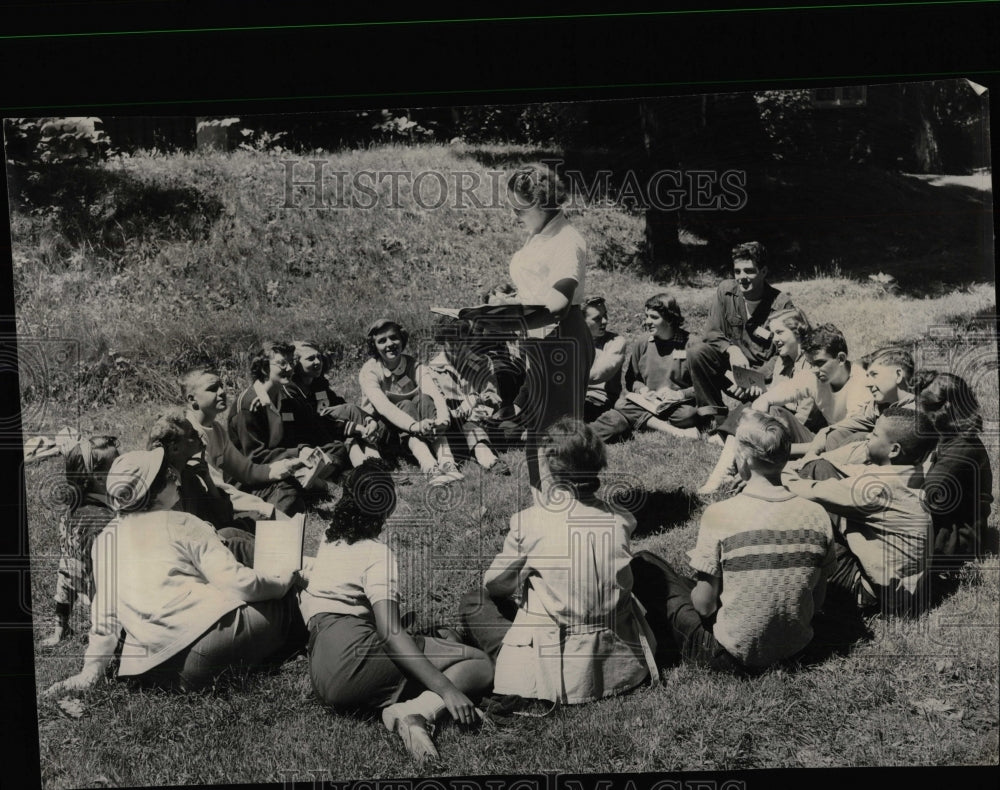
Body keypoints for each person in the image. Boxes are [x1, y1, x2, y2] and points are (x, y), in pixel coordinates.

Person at [43, 448, 303, 696]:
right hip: (206, 651)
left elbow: (104, 618)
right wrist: (280, 584)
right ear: (152, 492)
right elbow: (237, 583)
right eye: (166, 475)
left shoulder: (106, 539)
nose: (175, 477)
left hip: (156, 670)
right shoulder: (183, 522)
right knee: (288, 603)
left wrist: (91, 671)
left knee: (229, 539)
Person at [299, 459, 493, 767]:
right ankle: (417, 711)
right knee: (479, 663)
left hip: (322, 665)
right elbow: (389, 634)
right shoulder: (377, 554)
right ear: (387, 507)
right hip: (351, 663)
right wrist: (447, 690)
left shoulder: (329, 538)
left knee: (428, 630)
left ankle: (407, 694)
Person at [458, 418, 658, 706]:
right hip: (622, 662)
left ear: (549, 468)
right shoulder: (622, 518)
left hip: (560, 670)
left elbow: (496, 586)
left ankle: (498, 669)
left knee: (474, 601)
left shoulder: (530, 522)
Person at [631, 411, 835, 673]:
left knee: (646, 564)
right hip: (798, 647)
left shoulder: (720, 514)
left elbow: (705, 607)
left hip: (729, 656)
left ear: (744, 459)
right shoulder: (816, 513)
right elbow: (816, 601)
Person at [493, 163, 596, 498]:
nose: (513, 214)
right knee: (538, 431)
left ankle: (566, 508)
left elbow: (556, 305)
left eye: (517, 207)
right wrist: (508, 300)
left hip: (560, 339)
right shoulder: (539, 234)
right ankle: (546, 505)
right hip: (538, 342)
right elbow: (538, 289)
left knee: (558, 434)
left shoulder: (568, 239)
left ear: (539, 201)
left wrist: (503, 320)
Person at [782, 405, 936, 616]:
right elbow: (842, 468)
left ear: (894, 450)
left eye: (873, 435)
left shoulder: (877, 487)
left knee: (811, 509)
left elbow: (812, 491)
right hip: (900, 590)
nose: (867, 439)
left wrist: (773, 475)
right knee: (820, 468)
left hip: (868, 592)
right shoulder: (909, 474)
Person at [698, 306, 816, 494]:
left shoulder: (812, 363)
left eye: (779, 332)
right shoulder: (782, 361)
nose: (775, 339)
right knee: (752, 406)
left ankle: (726, 469)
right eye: (772, 333)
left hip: (807, 434)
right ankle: (726, 470)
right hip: (783, 424)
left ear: (798, 331)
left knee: (767, 410)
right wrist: (760, 392)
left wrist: (768, 408)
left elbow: (803, 418)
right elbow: (777, 393)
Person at [228, 340, 351, 508]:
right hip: (252, 476)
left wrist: (307, 451)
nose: (289, 369)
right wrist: (298, 452)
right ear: (264, 368)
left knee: (336, 448)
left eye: (291, 363)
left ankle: (314, 484)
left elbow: (307, 429)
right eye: (282, 364)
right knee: (288, 489)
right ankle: (319, 486)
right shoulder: (249, 405)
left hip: (283, 461)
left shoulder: (284, 397)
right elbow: (254, 456)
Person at [685, 241, 795, 422]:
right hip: (730, 373)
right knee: (697, 351)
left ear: (764, 272)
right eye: (737, 271)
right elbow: (711, 333)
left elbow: (785, 354)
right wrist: (731, 349)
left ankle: (750, 412)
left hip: (762, 382)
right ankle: (713, 416)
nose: (742, 277)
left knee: (751, 420)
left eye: (749, 271)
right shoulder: (726, 291)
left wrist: (751, 379)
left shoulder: (781, 304)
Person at [182, 365, 306, 518]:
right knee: (264, 511)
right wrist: (260, 506)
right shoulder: (188, 435)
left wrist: (286, 466)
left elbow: (246, 471)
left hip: (222, 500)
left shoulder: (216, 429)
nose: (222, 392)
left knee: (287, 487)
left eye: (221, 386)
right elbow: (214, 490)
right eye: (213, 388)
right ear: (192, 399)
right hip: (204, 510)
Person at [358, 318, 463, 487]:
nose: (390, 344)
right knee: (406, 405)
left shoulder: (413, 364)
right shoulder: (369, 371)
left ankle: (447, 461)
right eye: (382, 341)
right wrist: (415, 426)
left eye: (394, 337)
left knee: (424, 398)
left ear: (402, 338)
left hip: (419, 423)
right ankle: (429, 466)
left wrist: (443, 419)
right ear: (374, 346)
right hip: (384, 429)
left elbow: (433, 391)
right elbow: (383, 407)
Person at [590, 293, 705, 444]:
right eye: (646, 316)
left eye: (654, 317)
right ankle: (674, 431)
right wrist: (643, 390)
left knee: (688, 415)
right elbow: (632, 380)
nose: (647, 322)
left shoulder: (692, 344)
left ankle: (648, 422)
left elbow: (704, 386)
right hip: (648, 403)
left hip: (678, 405)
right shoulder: (643, 342)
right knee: (621, 404)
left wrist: (679, 395)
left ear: (670, 319)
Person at [749, 322, 872, 458]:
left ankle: (767, 454)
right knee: (772, 411)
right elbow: (767, 398)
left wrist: (783, 450)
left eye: (820, 363)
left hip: (846, 446)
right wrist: (759, 427)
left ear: (841, 359)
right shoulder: (814, 375)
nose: (814, 370)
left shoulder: (861, 383)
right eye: (811, 364)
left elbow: (845, 437)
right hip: (821, 439)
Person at [41, 435, 120, 647]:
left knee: (67, 568)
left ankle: (61, 631)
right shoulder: (104, 522)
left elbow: (65, 573)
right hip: (101, 594)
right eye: (118, 466)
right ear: (99, 478)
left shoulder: (71, 511)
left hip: (75, 578)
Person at [915, 371, 994, 570]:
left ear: (945, 409)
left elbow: (924, 497)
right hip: (947, 522)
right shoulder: (952, 437)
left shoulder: (963, 450)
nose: (920, 415)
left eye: (923, 409)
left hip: (955, 541)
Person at [424, 315, 511, 475]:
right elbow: (435, 405)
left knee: (471, 426)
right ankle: (449, 462)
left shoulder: (482, 362)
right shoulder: (432, 369)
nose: (457, 346)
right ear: (442, 341)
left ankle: (490, 461)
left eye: (462, 340)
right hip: (448, 423)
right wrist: (455, 413)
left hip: (478, 422)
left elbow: (492, 400)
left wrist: (475, 403)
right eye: (451, 341)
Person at [803, 346, 917, 464]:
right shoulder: (879, 405)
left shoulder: (911, 415)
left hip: (883, 474)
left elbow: (866, 452)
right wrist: (814, 449)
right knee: (836, 435)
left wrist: (820, 460)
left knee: (857, 438)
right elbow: (842, 426)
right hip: (854, 464)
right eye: (867, 376)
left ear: (898, 375)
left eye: (874, 374)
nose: (868, 384)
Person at [289, 339, 384, 468]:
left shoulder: (318, 384)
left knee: (350, 434)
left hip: (332, 428)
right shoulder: (292, 390)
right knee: (349, 415)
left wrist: (367, 418)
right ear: (296, 364)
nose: (317, 362)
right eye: (310, 359)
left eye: (319, 357)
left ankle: (372, 463)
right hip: (312, 435)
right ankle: (375, 461)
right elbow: (313, 421)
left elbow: (338, 403)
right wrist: (353, 426)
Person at [582, 295, 627, 424]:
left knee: (616, 423)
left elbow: (598, 375)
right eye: (597, 318)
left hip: (599, 401)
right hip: (573, 399)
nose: (605, 321)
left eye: (605, 315)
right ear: (581, 321)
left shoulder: (616, 341)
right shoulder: (572, 341)